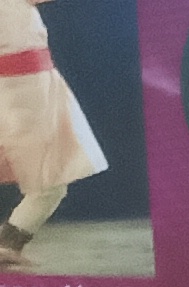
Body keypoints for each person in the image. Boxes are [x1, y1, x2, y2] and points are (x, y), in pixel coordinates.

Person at [0, 0, 107, 269]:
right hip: (26, 91)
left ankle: (9, 243)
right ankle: (8, 243)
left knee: (50, 184)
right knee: (50, 186)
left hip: (30, 86)